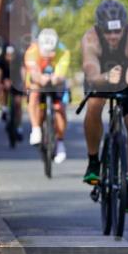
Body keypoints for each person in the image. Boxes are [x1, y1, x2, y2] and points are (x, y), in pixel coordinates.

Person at [81, 0, 128, 212]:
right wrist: (107, 77)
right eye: (108, 32)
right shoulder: (90, 39)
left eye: (118, 31)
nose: (113, 37)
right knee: (94, 104)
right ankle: (93, 161)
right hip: (101, 78)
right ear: (99, 28)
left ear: (125, 27)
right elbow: (91, 74)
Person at [24, 29, 71, 162]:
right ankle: (36, 128)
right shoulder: (31, 51)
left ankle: (60, 142)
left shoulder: (64, 52)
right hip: (37, 79)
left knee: (60, 108)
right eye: (45, 54)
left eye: (51, 53)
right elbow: (33, 74)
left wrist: (55, 79)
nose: (48, 57)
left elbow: (61, 76)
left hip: (56, 81)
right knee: (34, 94)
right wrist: (40, 79)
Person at [0, 43, 23, 139]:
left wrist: (24, 84)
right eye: (8, 55)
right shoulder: (1, 61)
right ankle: (4, 108)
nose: (10, 58)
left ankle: (18, 127)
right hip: (4, 80)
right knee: (1, 88)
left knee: (18, 104)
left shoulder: (18, 60)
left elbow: (22, 72)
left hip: (16, 81)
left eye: (12, 55)